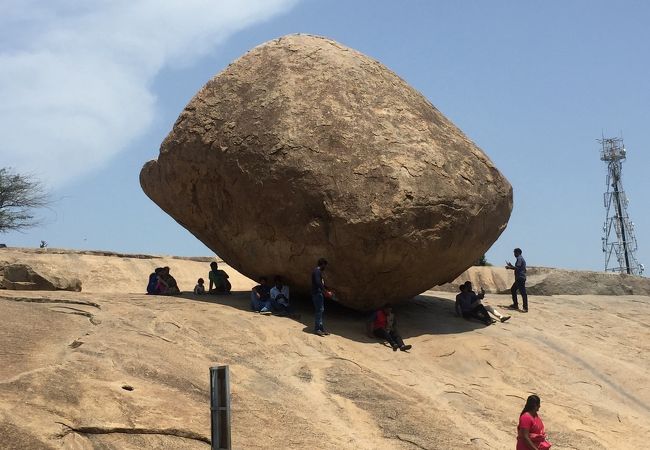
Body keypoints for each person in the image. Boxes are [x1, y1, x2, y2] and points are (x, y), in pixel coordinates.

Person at [311, 258, 330, 336]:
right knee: (319, 311)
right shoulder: (317, 271)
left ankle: (321, 328)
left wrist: (326, 290)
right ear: (322, 264)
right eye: (325, 265)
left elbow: (321, 283)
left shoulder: (318, 272)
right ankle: (317, 329)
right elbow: (318, 282)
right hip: (317, 294)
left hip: (318, 293)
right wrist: (325, 291)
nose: (325, 267)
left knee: (320, 310)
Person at [506, 248, 528, 312]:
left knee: (523, 293)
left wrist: (509, 267)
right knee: (513, 289)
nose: (514, 254)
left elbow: (517, 268)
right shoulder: (521, 259)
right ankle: (515, 305)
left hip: (520, 278)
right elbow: (518, 268)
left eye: (515, 253)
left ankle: (525, 308)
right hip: (520, 278)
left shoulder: (519, 258)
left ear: (518, 252)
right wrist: (511, 266)